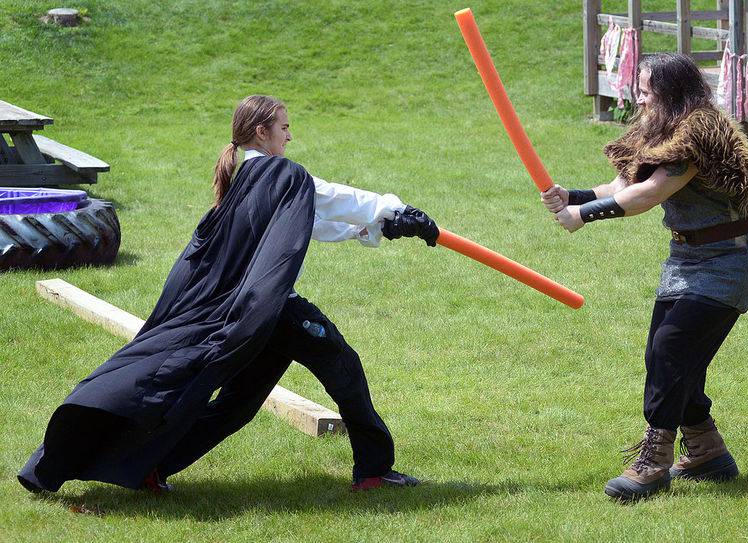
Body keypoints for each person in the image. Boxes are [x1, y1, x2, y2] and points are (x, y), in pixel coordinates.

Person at [19, 95, 439, 494]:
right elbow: (326, 194)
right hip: (269, 310)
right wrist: (393, 210)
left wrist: (377, 227)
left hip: (248, 316)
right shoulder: (276, 174)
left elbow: (308, 219)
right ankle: (374, 470)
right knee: (342, 364)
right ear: (261, 132)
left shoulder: (246, 182)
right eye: (284, 127)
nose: (289, 137)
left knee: (236, 406)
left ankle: (152, 463)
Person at [540, 54, 748, 501]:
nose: (639, 97)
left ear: (671, 93)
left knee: (671, 350)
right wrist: (576, 195)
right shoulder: (662, 127)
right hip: (686, 256)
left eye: (647, 91)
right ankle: (708, 453)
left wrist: (582, 216)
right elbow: (626, 182)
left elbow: (649, 193)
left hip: (729, 259)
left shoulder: (698, 132)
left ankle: (653, 461)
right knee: (667, 355)